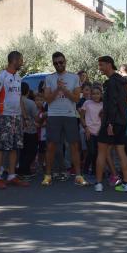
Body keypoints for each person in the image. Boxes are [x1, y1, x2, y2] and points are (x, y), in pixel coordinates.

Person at [42, 52, 88, 187]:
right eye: (56, 63)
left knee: (74, 145)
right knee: (51, 145)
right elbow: (48, 100)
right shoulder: (49, 78)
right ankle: (48, 175)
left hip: (70, 115)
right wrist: (57, 88)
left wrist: (64, 89)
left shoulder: (74, 77)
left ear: (65, 61)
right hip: (54, 115)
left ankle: (79, 176)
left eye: (61, 62)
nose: (59, 65)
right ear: (53, 64)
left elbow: (76, 98)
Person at [0, 51, 29, 189]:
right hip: (4, 116)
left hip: (16, 117)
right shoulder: (2, 76)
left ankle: (11, 175)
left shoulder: (18, 77)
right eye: (21, 60)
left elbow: (19, 98)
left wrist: (24, 116)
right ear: (15, 61)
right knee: (0, 147)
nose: (22, 62)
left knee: (14, 147)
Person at [94, 56, 127, 193]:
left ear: (109, 65)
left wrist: (109, 123)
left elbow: (113, 104)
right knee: (121, 151)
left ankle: (98, 184)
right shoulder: (122, 81)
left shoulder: (111, 83)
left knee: (102, 152)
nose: (100, 68)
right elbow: (123, 103)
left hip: (111, 123)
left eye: (101, 65)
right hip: (121, 121)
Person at [18, 83, 39, 178]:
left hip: (18, 129)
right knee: (31, 151)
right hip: (30, 130)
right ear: (27, 91)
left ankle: (20, 169)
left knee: (22, 151)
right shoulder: (30, 103)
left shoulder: (16, 101)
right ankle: (25, 170)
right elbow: (36, 116)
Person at [80, 86, 102, 177]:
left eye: (97, 94)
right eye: (93, 94)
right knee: (91, 151)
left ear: (101, 94)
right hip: (89, 131)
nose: (95, 96)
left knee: (97, 152)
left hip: (99, 132)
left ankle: (94, 170)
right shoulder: (87, 103)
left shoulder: (103, 104)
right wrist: (86, 128)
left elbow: (104, 119)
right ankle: (85, 169)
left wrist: (101, 130)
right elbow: (81, 117)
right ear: (90, 95)